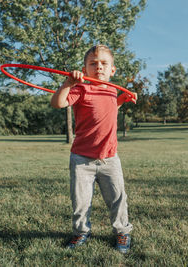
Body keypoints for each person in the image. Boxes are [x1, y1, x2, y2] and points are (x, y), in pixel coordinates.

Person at [51, 45, 137, 253]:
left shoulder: (112, 89)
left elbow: (107, 110)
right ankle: (81, 231)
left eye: (104, 63)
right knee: (80, 200)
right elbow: (58, 103)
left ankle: (122, 232)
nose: (99, 67)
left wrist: (121, 100)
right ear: (85, 68)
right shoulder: (81, 88)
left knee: (118, 198)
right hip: (82, 159)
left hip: (109, 157)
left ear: (112, 70)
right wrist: (67, 84)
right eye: (93, 63)